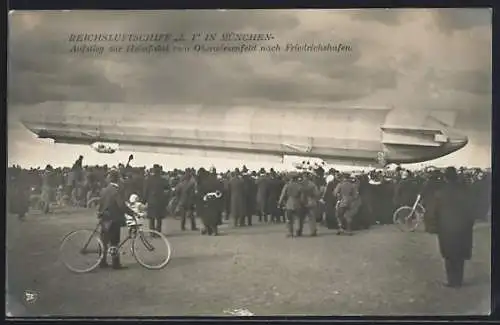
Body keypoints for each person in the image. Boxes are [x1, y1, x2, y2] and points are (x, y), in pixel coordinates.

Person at [433, 166, 475, 288]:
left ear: (445, 178)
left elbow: (435, 212)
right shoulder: (465, 191)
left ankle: (452, 280)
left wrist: (437, 226)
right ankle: (459, 280)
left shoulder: (440, 193)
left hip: (446, 228)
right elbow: (471, 210)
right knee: (459, 255)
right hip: (462, 227)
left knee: (449, 255)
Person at [98, 170, 139, 270]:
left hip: (105, 218)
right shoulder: (116, 190)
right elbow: (121, 205)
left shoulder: (104, 190)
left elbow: (101, 204)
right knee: (114, 242)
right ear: (118, 179)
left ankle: (102, 261)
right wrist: (132, 213)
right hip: (114, 218)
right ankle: (116, 264)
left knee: (104, 241)